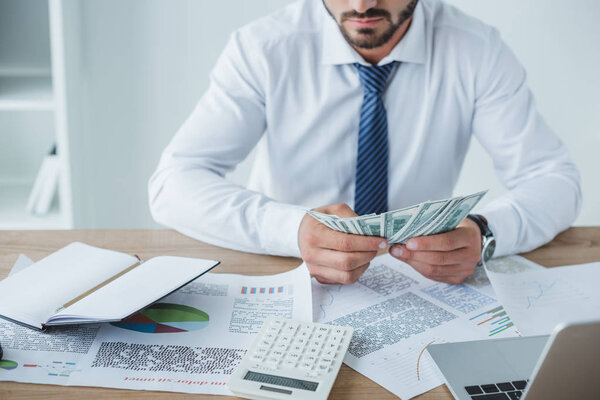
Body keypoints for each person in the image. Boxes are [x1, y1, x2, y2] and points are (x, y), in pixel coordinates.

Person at [148, 0, 581, 285]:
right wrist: (292, 228)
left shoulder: (476, 50)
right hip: (290, 272)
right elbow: (174, 183)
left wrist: (485, 231)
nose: (360, 5)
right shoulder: (263, 48)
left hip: (427, 284)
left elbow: (554, 180)